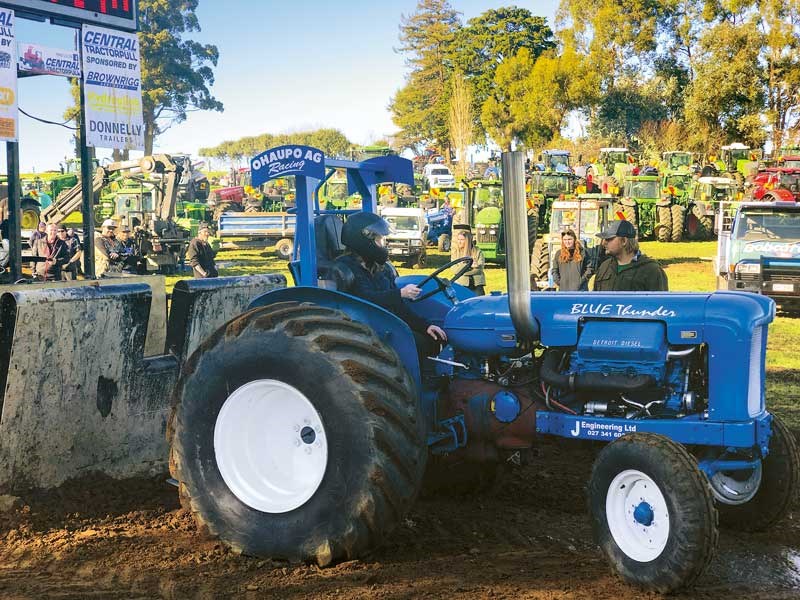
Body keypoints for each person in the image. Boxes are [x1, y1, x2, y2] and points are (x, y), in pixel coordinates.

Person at [336, 212, 447, 356]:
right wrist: (400, 293)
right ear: (364, 240)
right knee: (417, 344)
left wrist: (425, 326)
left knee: (434, 338)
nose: (383, 244)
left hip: (387, 322)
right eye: (380, 239)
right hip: (366, 325)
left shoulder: (379, 267)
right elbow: (365, 299)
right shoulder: (346, 268)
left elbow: (399, 306)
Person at [593, 220, 668, 291]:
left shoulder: (652, 271)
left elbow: (660, 303)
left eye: (609, 239)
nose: (603, 243)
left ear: (624, 241)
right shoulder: (604, 267)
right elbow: (595, 302)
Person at [450, 224, 486, 295]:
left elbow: (479, 269)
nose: (459, 242)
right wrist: (470, 266)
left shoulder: (477, 251)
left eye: (462, 240)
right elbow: (454, 269)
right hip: (461, 284)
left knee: (479, 302)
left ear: (467, 240)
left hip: (477, 284)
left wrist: (463, 271)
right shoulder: (455, 252)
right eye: (458, 239)